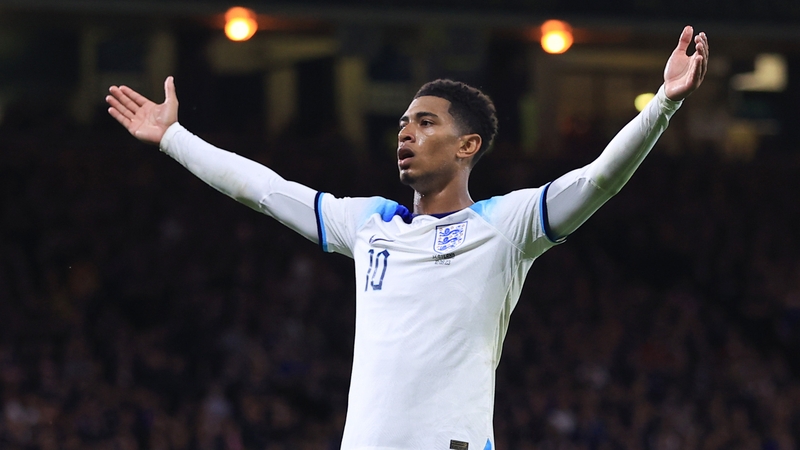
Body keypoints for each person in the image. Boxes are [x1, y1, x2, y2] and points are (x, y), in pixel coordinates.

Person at [106, 26, 708, 450]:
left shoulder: (506, 227)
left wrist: (663, 105)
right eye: (402, 123)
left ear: (467, 145)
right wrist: (172, 137)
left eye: (425, 122)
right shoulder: (371, 225)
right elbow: (264, 190)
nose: (406, 133)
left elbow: (598, 179)